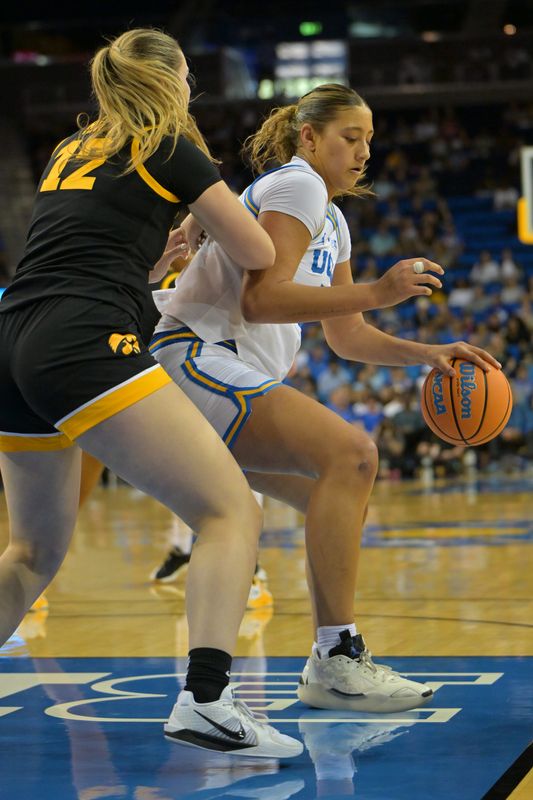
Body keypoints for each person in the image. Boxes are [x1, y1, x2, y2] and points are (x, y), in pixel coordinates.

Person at [149, 83, 502, 713]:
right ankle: (337, 657)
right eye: (351, 137)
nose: (365, 151)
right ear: (309, 137)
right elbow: (262, 300)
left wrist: (428, 354)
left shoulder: (331, 217)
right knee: (354, 455)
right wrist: (379, 289)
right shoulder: (297, 185)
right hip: (196, 356)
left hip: (227, 370)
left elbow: (347, 336)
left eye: (370, 139)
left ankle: (327, 660)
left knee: (332, 499)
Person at [0, 28, 302, 759]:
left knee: (31, 552)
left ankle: (207, 698)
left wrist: (153, 257)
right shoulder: (167, 143)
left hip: (13, 335)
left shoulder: (71, 151)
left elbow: (76, 252)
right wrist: (204, 215)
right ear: (173, 83)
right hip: (82, 338)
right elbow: (258, 250)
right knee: (228, 509)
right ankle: (207, 700)